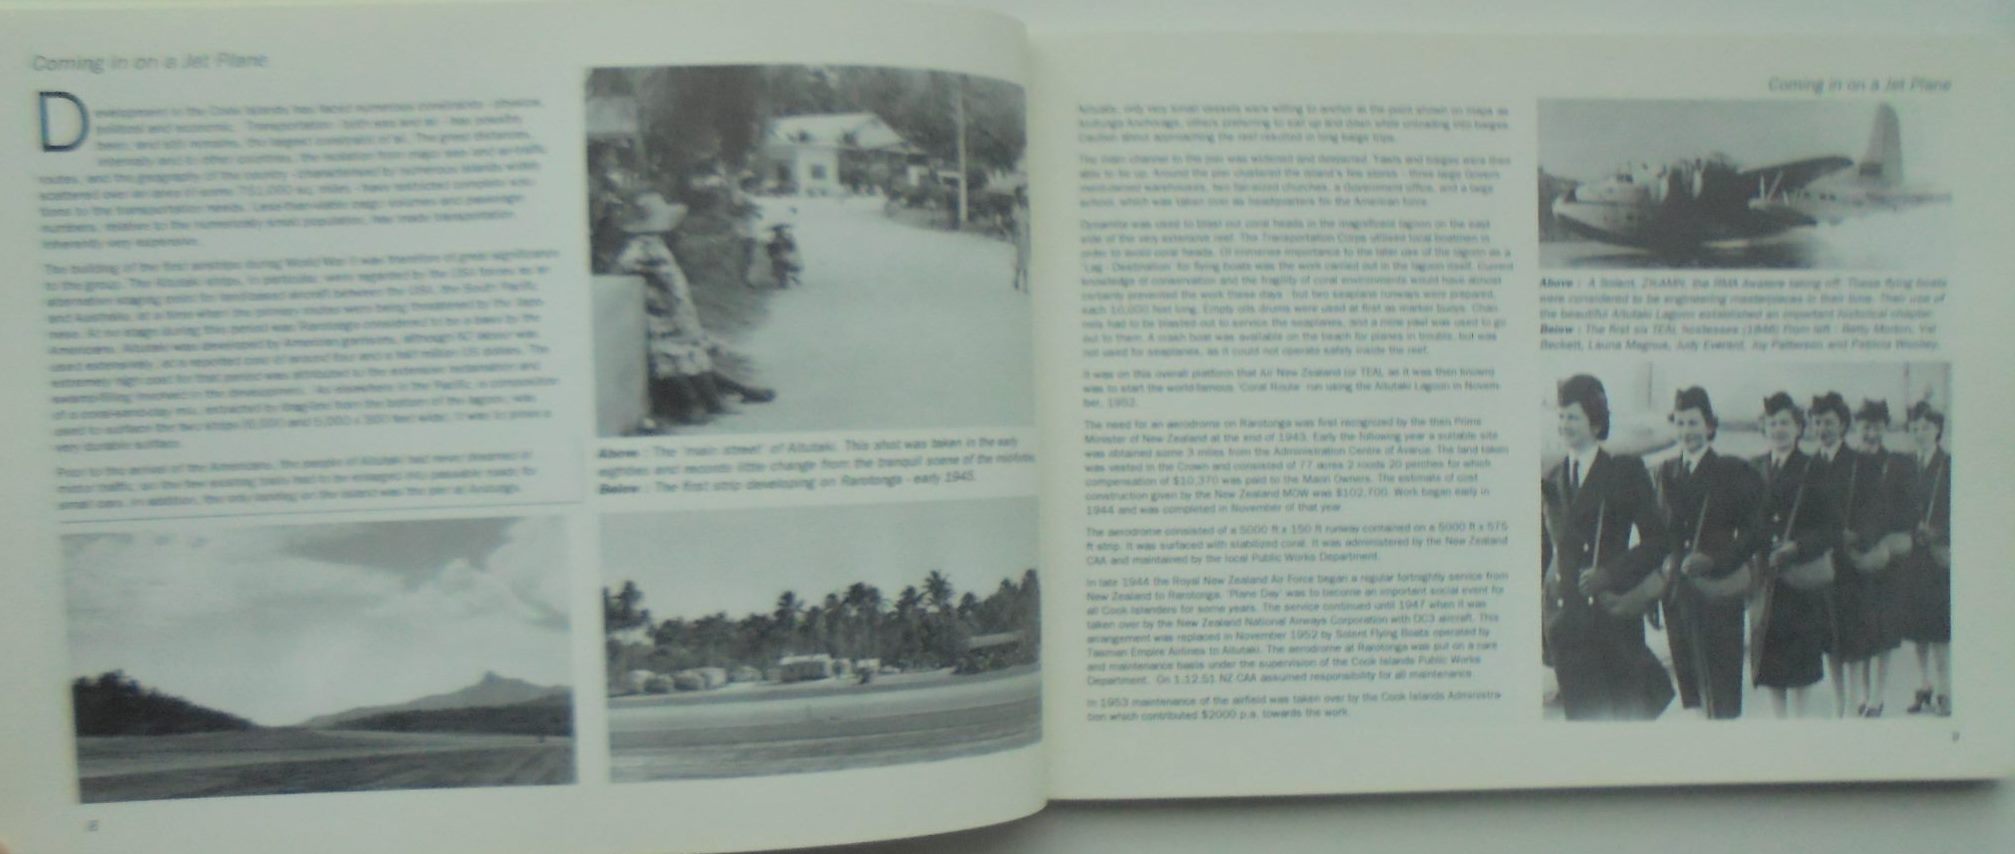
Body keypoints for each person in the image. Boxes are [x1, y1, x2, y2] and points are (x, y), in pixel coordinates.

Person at [1542, 374, 1672, 720]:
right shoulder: (1553, 479)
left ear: (1595, 421)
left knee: (1622, 729)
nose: (1564, 424)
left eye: (1573, 416)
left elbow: (1658, 540)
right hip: (1568, 633)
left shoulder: (1623, 472)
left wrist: (1610, 574)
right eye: (1561, 416)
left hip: (1611, 624)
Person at [609, 191, 775, 430]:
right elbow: (626, 273)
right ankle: (700, 402)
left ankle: (720, 397)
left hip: (672, 310)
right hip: (658, 314)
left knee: (692, 350)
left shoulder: (654, 244)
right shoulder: (639, 248)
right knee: (677, 354)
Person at [1655, 386, 1761, 719]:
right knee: (1691, 695)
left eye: (1693, 423)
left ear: (1710, 426)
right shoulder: (1665, 473)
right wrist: (1658, 583)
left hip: (1719, 594)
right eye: (1681, 423)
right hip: (1677, 596)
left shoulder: (1732, 472)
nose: (1686, 432)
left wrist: (1717, 560)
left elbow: (1754, 532)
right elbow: (1658, 536)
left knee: (1723, 692)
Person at [1748, 392, 1840, 719]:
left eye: (1785, 423)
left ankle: (1799, 729)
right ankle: (1779, 726)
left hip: (1800, 582)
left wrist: (1797, 547)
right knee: (1769, 662)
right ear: (1764, 428)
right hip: (1767, 583)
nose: (1778, 430)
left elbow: (1831, 528)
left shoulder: (1814, 468)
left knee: (1800, 665)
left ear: (1799, 428)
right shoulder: (1754, 468)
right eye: (1772, 423)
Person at [1844, 398, 1916, 717]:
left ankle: (1877, 696)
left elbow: (1908, 514)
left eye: (1875, 426)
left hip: (1885, 558)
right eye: (1864, 426)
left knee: (1883, 632)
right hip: (1853, 557)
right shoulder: (1848, 463)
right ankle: (1860, 695)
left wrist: (1887, 546)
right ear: (1856, 427)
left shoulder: (1899, 464)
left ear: (1884, 427)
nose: (1869, 432)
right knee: (1857, 629)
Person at [1901, 401, 1952, 716]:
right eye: (1915, 428)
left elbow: (1964, 510)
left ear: (1938, 430)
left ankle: (1945, 689)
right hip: (1912, 557)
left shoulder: (1950, 464)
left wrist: (1940, 532)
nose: (1920, 433)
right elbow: (1896, 507)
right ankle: (1923, 685)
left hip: (1937, 556)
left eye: (1926, 427)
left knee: (1939, 628)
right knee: (1916, 627)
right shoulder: (1906, 466)